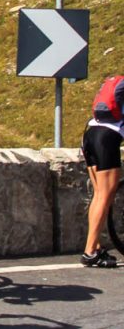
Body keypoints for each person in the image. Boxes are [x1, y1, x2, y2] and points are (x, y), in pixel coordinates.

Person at [81, 75, 124, 267]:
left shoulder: (116, 83)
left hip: (90, 134)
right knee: (105, 196)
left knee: (99, 195)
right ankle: (90, 252)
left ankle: (95, 247)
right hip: (106, 139)